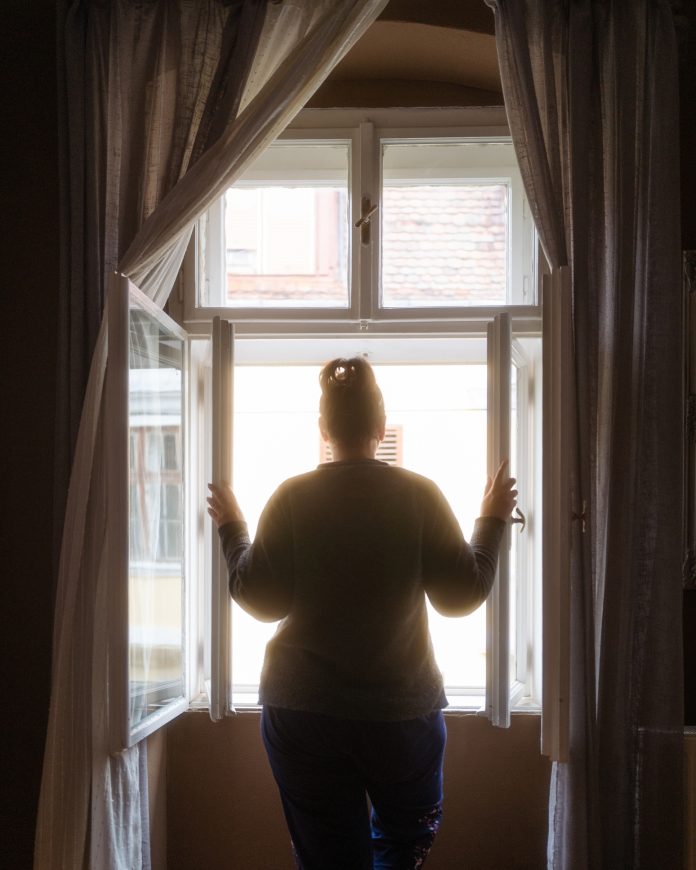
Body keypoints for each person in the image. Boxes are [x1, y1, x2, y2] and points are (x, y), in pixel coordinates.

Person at [207, 356, 517, 870]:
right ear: (379, 427)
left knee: (328, 859)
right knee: (405, 837)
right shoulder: (419, 493)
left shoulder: (291, 496)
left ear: (324, 429)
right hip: (400, 715)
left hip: (303, 713)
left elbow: (259, 601)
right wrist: (490, 521)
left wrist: (233, 529)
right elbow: (461, 597)